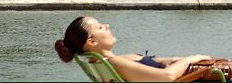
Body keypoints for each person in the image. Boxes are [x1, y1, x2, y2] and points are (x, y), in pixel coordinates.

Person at [55, 16, 213, 81]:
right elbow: (167, 77)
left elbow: (154, 62)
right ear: (92, 41)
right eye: (100, 27)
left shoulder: (103, 62)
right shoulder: (115, 62)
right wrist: (192, 59)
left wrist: (172, 60)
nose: (107, 25)